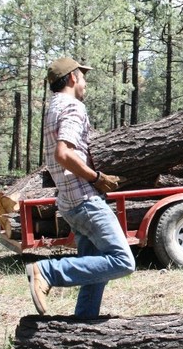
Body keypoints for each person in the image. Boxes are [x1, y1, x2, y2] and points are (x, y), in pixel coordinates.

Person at [26, 57, 136, 318]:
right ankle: (47, 272)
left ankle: (83, 324)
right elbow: (64, 154)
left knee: (94, 272)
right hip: (85, 199)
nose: (85, 83)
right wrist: (96, 177)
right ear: (73, 77)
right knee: (123, 261)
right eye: (83, 77)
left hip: (69, 200)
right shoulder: (73, 107)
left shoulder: (53, 108)